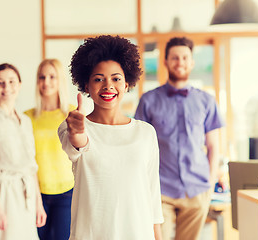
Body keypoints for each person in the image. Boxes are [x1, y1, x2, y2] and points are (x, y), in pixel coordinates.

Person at [58, 35, 164, 240]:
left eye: (116, 78)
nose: (108, 85)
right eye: (98, 79)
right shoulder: (71, 127)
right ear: (86, 86)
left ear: (127, 84)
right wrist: (77, 132)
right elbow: (78, 145)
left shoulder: (146, 133)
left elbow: (152, 195)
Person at [135, 36, 224, 240]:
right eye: (175, 57)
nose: (180, 62)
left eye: (185, 57)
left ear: (192, 62)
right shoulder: (148, 101)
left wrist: (209, 186)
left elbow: (213, 147)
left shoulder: (206, 101)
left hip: (197, 190)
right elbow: (139, 148)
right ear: (165, 61)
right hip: (160, 190)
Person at [0, 63, 46, 240]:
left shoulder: (25, 121)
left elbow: (31, 166)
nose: (6, 87)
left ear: (19, 85)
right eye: (0, 83)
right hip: (1, 193)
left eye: (11, 81)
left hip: (26, 194)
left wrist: (38, 202)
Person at [25, 59, 75, 240]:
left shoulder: (73, 113)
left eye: (52, 77)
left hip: (67, 193)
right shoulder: (26, 117)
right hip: (36, 193)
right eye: (42, 77)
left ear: (60, 80)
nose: (46, 82)